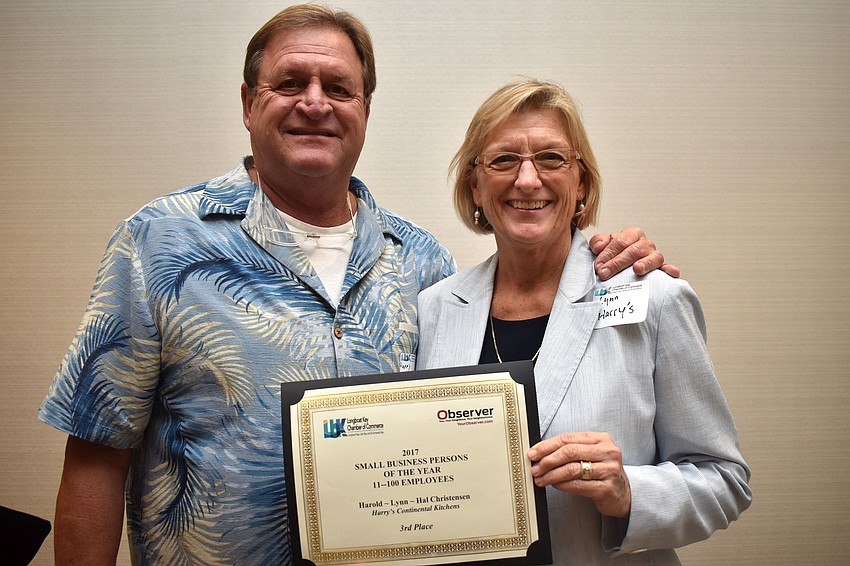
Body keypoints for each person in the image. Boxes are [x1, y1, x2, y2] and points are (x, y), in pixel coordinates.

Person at [38, 6, 673, 565]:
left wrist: (606, 257)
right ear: (247, 103)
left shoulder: (421, 263)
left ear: (364, 110)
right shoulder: (159, 243)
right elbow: (97, 452)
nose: (314, 102)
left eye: (338, 88)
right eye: (289, 83)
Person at [416, 79, 752, 564]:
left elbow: (725, 481)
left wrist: (628, 490)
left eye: (551, 159)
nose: (527, 180)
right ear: (475, 186)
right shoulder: (436, 308)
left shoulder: (654, 298)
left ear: (582, 185)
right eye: (503, 160)